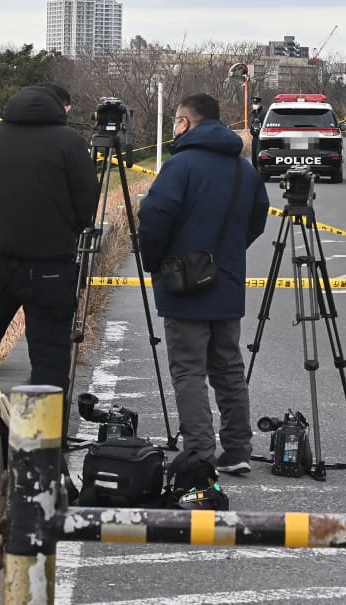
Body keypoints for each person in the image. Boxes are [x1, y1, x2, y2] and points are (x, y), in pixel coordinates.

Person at [137, 93, 268, 480]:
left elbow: (155, 217)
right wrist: (228, 253)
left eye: (176, 121)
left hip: (183, 284)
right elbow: (257, 219)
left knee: (189, 369)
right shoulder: (244, 169)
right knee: (228, 365)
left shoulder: (180, 166)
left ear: (186, 122)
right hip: (226, 280)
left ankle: (199, 452)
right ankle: (238, 449)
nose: (175, 127)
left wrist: (155, 262)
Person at [0, 83, 100, 398]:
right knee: (50, 349)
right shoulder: (69, 142)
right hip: (52, 263)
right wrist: (69, 228)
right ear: (60, 107)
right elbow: (87, 202)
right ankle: (44, 437)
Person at [248, 96, 264, 169]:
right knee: (253, 158)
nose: (255, 105)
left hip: (260, 138)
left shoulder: (263, 113)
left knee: (258, 157)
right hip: (254, 138)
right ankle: (255, 171)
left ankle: (259, 174)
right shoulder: (253, 114)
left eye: (256, 103)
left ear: (260, 103)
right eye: (254, 103)